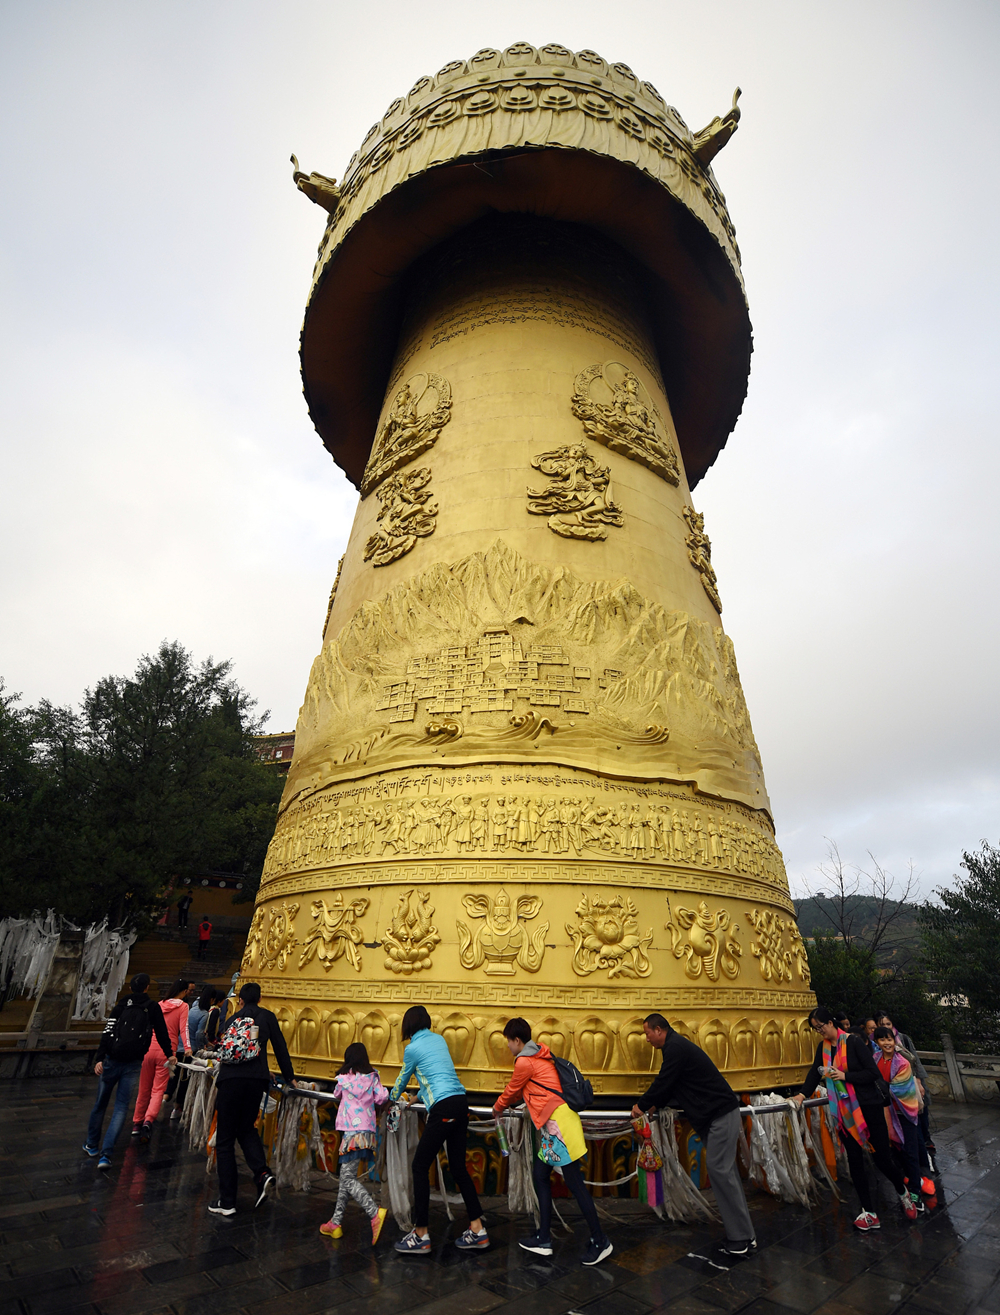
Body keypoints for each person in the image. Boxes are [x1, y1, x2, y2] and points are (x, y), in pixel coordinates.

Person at [631, 1013, 756, 1261]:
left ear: (659, 1030)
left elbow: (664, 1081)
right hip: (715, 1117)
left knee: (721, 1173)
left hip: (720, 1116)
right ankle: (744, 1235)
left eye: (647, 1033)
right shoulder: (675, 1047)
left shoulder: (675, 1048)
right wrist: (655, 1105)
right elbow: (672, 1085)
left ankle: (740, 1238)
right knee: (726, 1175)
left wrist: (642, 1105)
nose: (646, 1039)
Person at [494, 1018, 612, 1266]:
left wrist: (497, 1108)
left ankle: (600, 1241)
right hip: (553, 1127)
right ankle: (544, 1238)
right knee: (540, 1176)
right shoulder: (540, 1055)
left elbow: (512, 1090)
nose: (508, 1046)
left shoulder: (525, 1061)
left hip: (560, 1128)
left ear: (517, 1040)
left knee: (575, 1185)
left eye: (508, 1041)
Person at [792, 1007, 917, 1232]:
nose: (820, 1031)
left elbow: (872, 1073)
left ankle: (903, 1192)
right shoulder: (823, 1048)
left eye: (821, 1027)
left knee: (882, 1159)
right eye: (816, 1029)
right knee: (855, 1161)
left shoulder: (854, 1043)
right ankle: (869, 1212)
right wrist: (802, 1095)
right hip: (844, 1111)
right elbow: (815, 1072)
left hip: (868, 1107)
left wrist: (845, 1076)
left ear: (831, 1022)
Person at [389, 1004, 487, 1253]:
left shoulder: (412, 1049)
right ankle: (478, 1229)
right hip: (460, 1103)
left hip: (443, 1109)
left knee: (420, 1166)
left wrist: (389, 1099)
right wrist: (416, 1097)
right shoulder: (439, 1040)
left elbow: (402, 1079)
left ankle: (421, 1233)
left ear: (408, 1025)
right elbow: (435, 1077)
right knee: (459, 1168)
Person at [209, 981, 298, 1216]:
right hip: (256, 1081)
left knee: (225, 1140)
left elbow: (223, 1048)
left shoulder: (232, 1019)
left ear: (240, 1000)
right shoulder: (266, 1017)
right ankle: (262, 1173)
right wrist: (290, 1077)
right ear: (259, 999)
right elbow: (280, 1047)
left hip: (230, 1081)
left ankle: (227, 1201)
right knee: (247, 1128)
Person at [84, 972, 172, 1170]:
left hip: (111, 1059)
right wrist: (169, 1054)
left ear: (130, 987)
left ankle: (91, 1144)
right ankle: (106, 1155)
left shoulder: (122, 1005)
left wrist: (100, 1058)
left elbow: (108, 1031)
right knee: (121, 1107)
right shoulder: (152, 1007)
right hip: (133, 1062)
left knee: (100, 1104)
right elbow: (161, 1032)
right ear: (147, 987)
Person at [319, 1042, 389, 1243]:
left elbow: (336, 1094)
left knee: (348, 1179)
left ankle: (374, 1212)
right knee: (346, 1177)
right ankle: (335, 1223)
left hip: (350, 1133)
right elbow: (382, 1097)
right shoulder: (372, 1077)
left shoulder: (343, 1079)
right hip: (366, 1132)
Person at [872, 1027, 931, 1206]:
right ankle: (907, 1181)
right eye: (882, 1040)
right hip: (885, 1112)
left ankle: (915, 1191)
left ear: (894, 1040)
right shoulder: (875, 1059)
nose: (887, 1043)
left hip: (903, 1112)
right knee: (896, 1151)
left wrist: (878, 1087)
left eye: (889, 1039)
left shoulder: (902, 1062)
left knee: (911, 1150)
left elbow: (899, 1088)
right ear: (877, 1043)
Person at [132, 978, 193, 1141]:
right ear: (184, 991)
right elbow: (184, 1028)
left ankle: (137, 1122)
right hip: (167, 1051)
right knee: (158, 1089)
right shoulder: (183, 1006)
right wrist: (187, 1047)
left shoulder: (159, 1004)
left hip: (149, 1049)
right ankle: (148, 1120)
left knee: (143, 1088)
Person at [875, 1010, 935, 1163]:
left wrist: (919, 1082)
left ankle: (924, 1160)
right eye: (882, 1025)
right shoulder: (876, 1051)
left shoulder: (902, 1039)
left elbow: (914, 1061)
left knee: (917, 1124)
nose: (886, 1027)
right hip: (890, 1101)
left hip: (908, 1088)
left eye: (888, 1024)